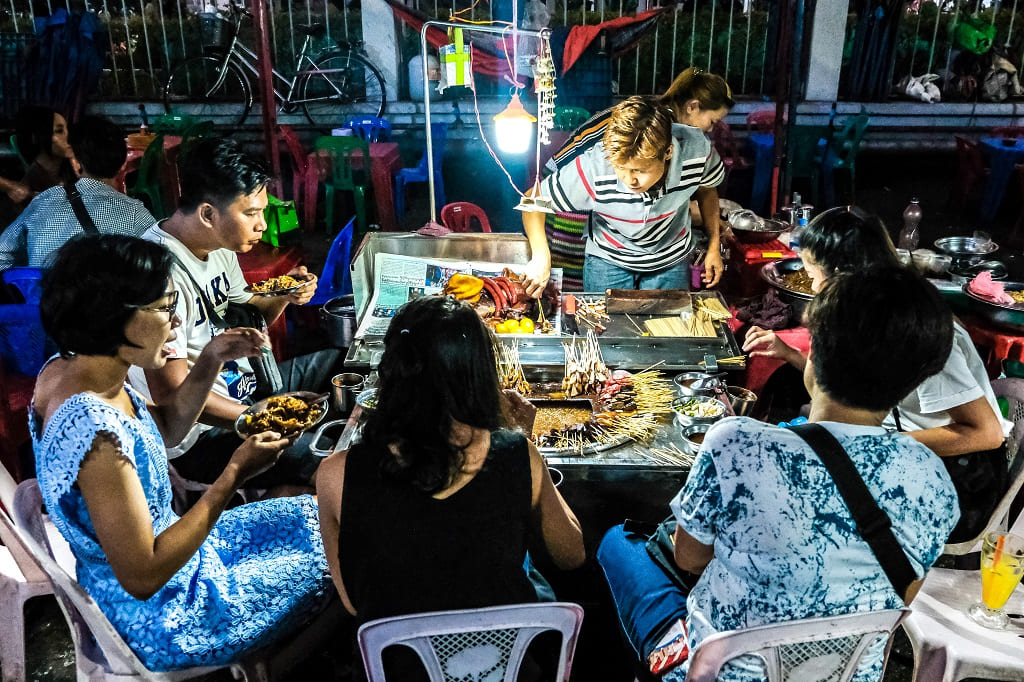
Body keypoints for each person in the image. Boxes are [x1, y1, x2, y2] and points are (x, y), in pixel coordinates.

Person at [598, 266, 960, 681]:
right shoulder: (933, 478)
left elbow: (689, 559)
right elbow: (904, 590)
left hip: (722, 673)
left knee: (617, 544)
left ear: (816, 353)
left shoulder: (736, 442)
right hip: (844, 673)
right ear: (916, 381)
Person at [31, 234, 330, 671]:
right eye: (166, 308)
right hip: (166, 613)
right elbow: (144, 575)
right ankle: (280, 667)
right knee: (340, 553)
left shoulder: (73, 368)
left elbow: (167, 428)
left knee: (315, 514)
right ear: (117, 317)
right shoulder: (95, 435)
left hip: (179, 555)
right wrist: (235, 474)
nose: (175, 325)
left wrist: (210, 358)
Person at [316, 296, 585, 635]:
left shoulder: (334, 474)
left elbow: (356, 602)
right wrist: (522, 443)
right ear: (479, 374)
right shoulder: (517, 454)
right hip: (504, 664)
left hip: (403, 667)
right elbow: (571, 555)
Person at [742, 205, 1008, 542]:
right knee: (785, 390)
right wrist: (791, 355)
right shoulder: (867, 315)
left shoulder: (914, 329)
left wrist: (880, 446)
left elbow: (987, 433)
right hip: (897, 449)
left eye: (812, 274)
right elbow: (833, 388)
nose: (811, 284)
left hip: (957, 477)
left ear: (839, 273)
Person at [127, 136, 343, 488]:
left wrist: (285, 295)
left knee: (341, 364)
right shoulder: (158, 275)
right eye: (251, 213)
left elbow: (248, 316)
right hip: (200, 435)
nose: (262, 225)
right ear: (208, 214)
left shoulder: (220, 246)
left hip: (245, 390)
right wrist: (258, 419)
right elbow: (172, 399)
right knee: (327, 458)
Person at [521, 94, 727, 297]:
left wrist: (713, 246)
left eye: (640, 170)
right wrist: (541, 256)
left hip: (670, 258)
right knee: (605, 327)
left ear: (668, 152)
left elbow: (707, 190)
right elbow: (533, 201)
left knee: (667, 326)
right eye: (621, 168)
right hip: (609, 259)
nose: (630, 180)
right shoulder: (595, 166)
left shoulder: (697, 150)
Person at [0, 115, 156, 271]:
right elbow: (159, 265)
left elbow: (3, 255)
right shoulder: (136, 213)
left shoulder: (43, 201)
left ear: (76, 164)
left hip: (46, 294)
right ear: (123, 165)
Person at [13, 105, 75, 194]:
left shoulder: (70, 171)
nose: (68, 136)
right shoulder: (30, 187)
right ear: (39, 137)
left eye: (67, 129)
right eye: (59, 131)